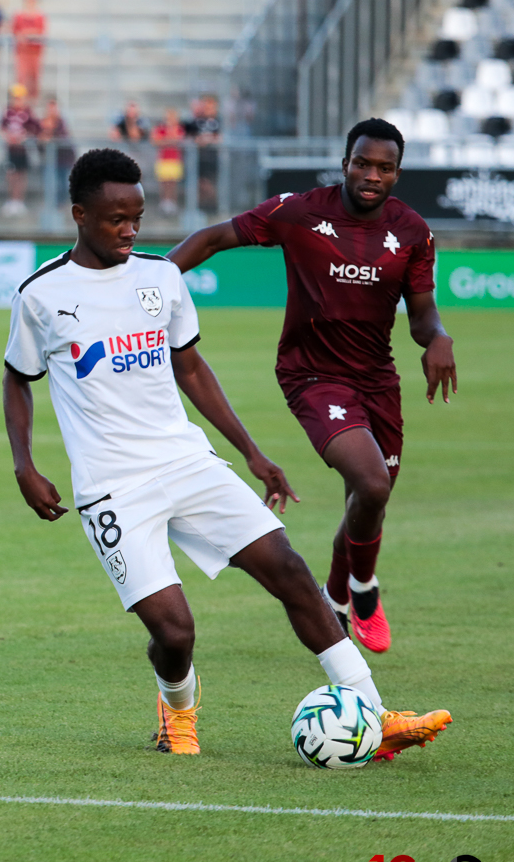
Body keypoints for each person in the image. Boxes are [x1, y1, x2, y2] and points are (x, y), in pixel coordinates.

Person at [2, 147, 452, 760]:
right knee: (175, 631)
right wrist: (24, 465)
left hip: (187, 463)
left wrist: (253, 454)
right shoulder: (41, 295)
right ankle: (177, 708)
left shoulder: (160, 278)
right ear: (80, 215)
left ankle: (371, 712)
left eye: (137, 216)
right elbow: (16, 380)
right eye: (116, 219)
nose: (131, 229)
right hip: (112, 488)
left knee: (291, 572)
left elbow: (191, 368)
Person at [169, 118, 458, 654]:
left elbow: (421, 315)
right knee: (371, 484)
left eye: (385, 168)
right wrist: (154, 282)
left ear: (398, 173)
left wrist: (437, 337)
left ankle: (336, 592)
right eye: (362, 164)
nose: (372, 175)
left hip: (377, 378)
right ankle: (364, 590)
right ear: (345, 162)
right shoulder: (300, 211)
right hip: (312, 375)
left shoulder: (413, 231)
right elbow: (214, 237)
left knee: (367, 499)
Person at [0, 84, 41, 216]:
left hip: (23, 150)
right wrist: (8, 137)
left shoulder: (28, 113)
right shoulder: (8, 112)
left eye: (19, 98)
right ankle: (11, 200)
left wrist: (24, 136)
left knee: (21, 176)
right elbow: (2, 127)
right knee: (11, 175)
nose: (17, 100)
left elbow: (36, 130)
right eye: (15, 98)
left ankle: (19, 201)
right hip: (11, 149)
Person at [183, 95, 221, 212]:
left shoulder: (219, 121)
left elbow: (220, 138)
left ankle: (212, 206)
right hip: (199, 157)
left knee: (211, 183)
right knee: (200, 183)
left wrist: (208, 140)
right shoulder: (197, 122)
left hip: (212, 157)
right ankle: (200, 208)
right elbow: (189, 136)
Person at [39, 97, 75, 205]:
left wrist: (50, 132)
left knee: (62, 185)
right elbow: (40, 143)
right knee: (50, 184)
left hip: (63, 160)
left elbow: (62, 138)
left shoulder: (61, 123)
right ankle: (51, 205)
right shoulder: (42, 124)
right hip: (50, 160)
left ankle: (59, 205)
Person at [12, 0, 46, 101]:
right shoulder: (19, 16)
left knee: (34, 77)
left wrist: (26, 33)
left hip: (35, 51)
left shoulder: (39, 16)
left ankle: (33, 101)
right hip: (22, 51)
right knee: (21, 77)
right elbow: (15, 32)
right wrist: (28, 34)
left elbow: (40, 32)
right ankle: (19, 101)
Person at [151, 107, 185, 216]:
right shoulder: (161, 128)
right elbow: (155, 140)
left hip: (175, 160)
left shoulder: (179, 128)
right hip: (163, 159)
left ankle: (172, 202)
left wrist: (167, 140)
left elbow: (179, 140)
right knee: (164, 182)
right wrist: (169, 140)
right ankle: (164, 202)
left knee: (173, 182)